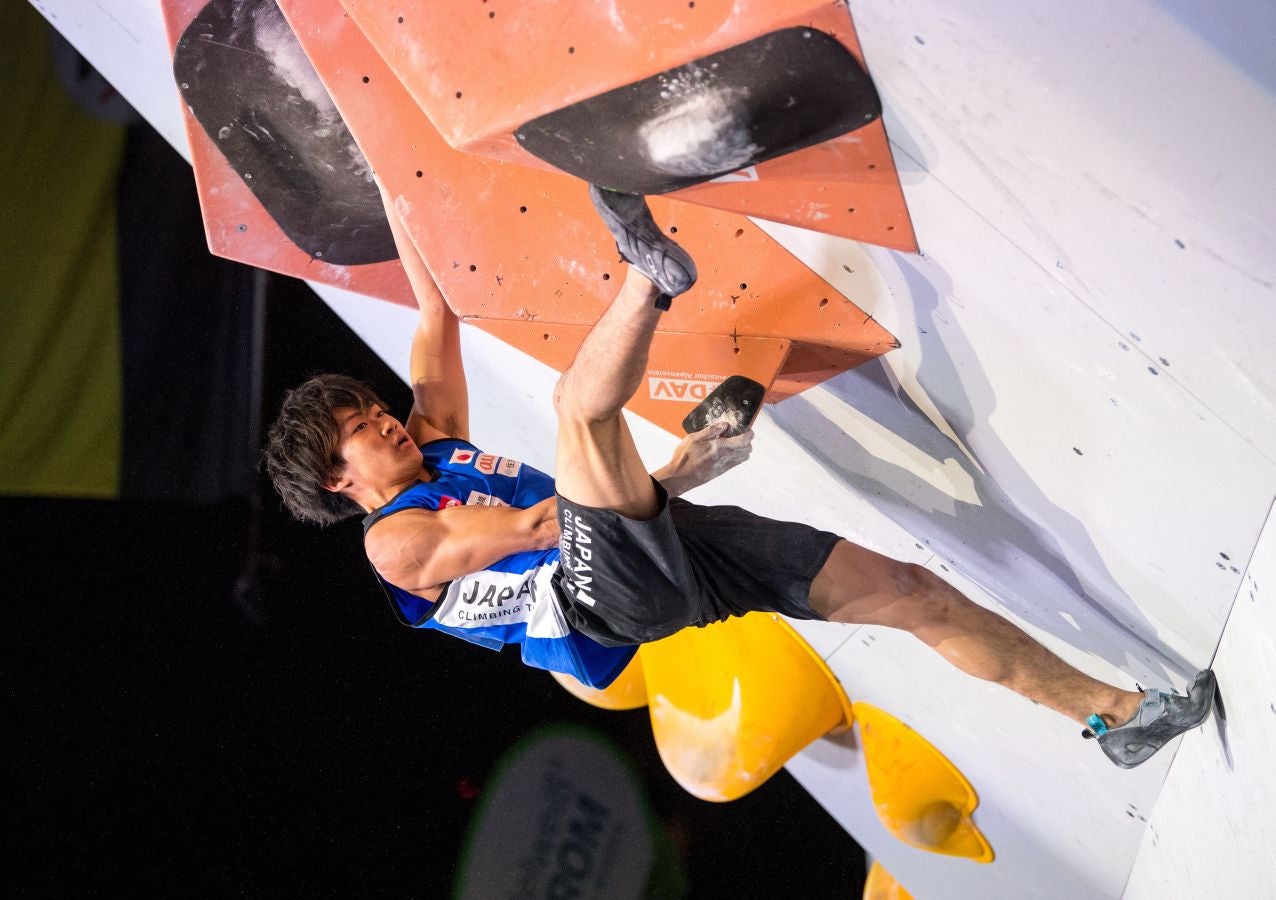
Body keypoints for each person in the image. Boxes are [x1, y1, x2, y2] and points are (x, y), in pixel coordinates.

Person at [264, 183, 1215, 769]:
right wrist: (676, 467)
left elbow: (436, 315)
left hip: (659, 552)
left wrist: (387, 164)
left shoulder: (431, 440)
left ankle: (1117, 719)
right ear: (341, 482)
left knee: (908, 592)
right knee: (575, 412)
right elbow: (550, 531)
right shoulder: (396, 542)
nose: (383, 419)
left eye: (370, 407)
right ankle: (646, 274)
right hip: (601, 602)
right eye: (360, 431)